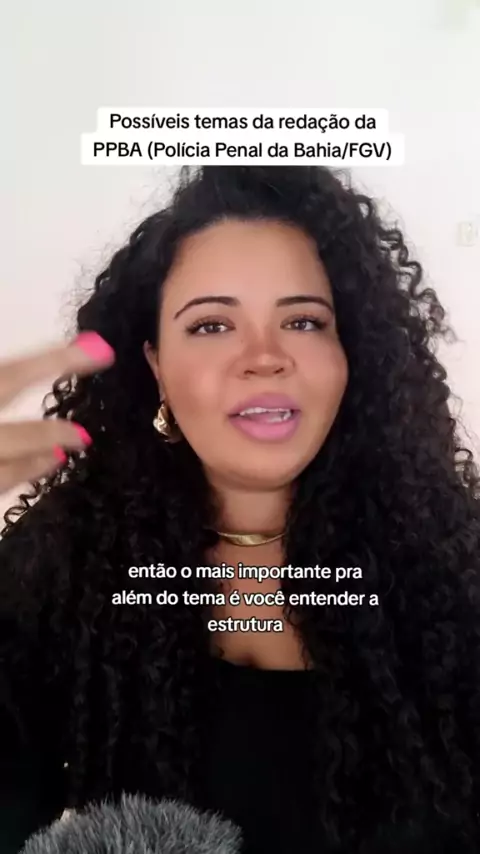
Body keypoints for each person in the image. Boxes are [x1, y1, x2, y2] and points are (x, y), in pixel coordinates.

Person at [1, 165, 479, 854]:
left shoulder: (458, 575)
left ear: (351, 356)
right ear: (156, 365)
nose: (264, 357)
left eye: (303, 321)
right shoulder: (54, 572)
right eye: (212, 324)